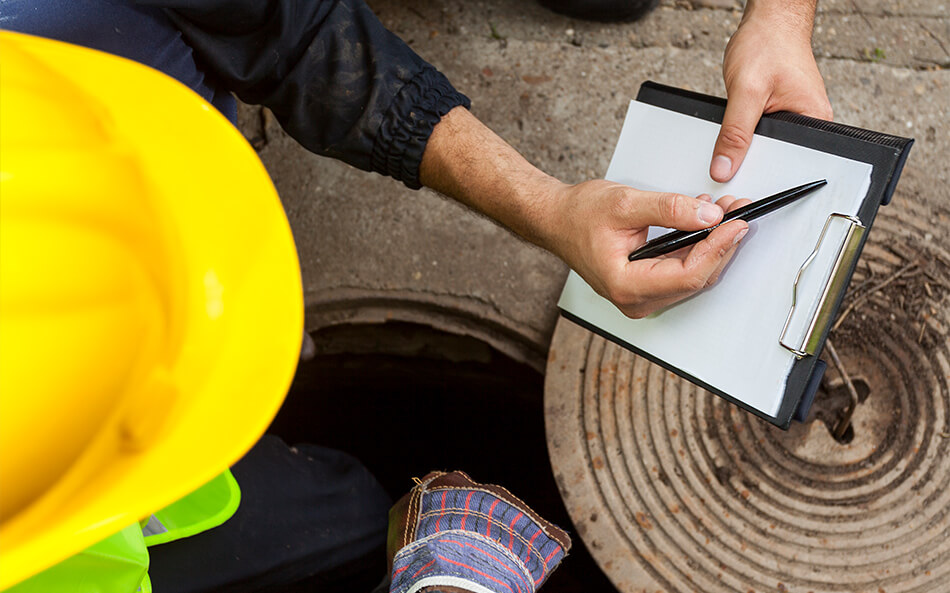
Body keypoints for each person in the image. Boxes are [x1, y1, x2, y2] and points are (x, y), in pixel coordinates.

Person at [0, 0, 832, 590]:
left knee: (355, 517)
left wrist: (548, 207)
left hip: (145, 502)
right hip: (86, 536)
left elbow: (294, 34)